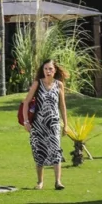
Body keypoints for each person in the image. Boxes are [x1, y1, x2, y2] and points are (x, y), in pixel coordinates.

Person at [22, 59, 67, 190]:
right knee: (39, 151)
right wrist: (26, 121)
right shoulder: (37, 84)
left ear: (55, 70)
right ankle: (40, 182)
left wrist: (66, 124)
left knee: (56, 150)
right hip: (38, 124)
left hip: (53, 124)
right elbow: (26, 103)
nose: (48, 71)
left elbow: (62, 106)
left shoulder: (59, 85)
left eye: (50, 69)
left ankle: (58, 181)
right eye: (46, 69)